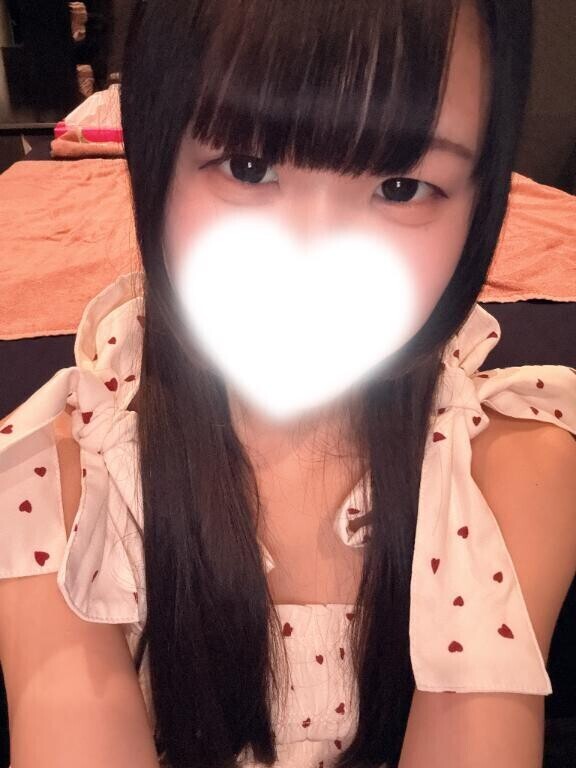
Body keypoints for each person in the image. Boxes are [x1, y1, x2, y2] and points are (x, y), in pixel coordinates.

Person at [1, 1, 575, 767]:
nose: (314, 257)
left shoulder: (513, 470)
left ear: (482, 199)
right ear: (157, 155)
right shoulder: (57, 484)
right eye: (248, 167)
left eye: (401, 186)